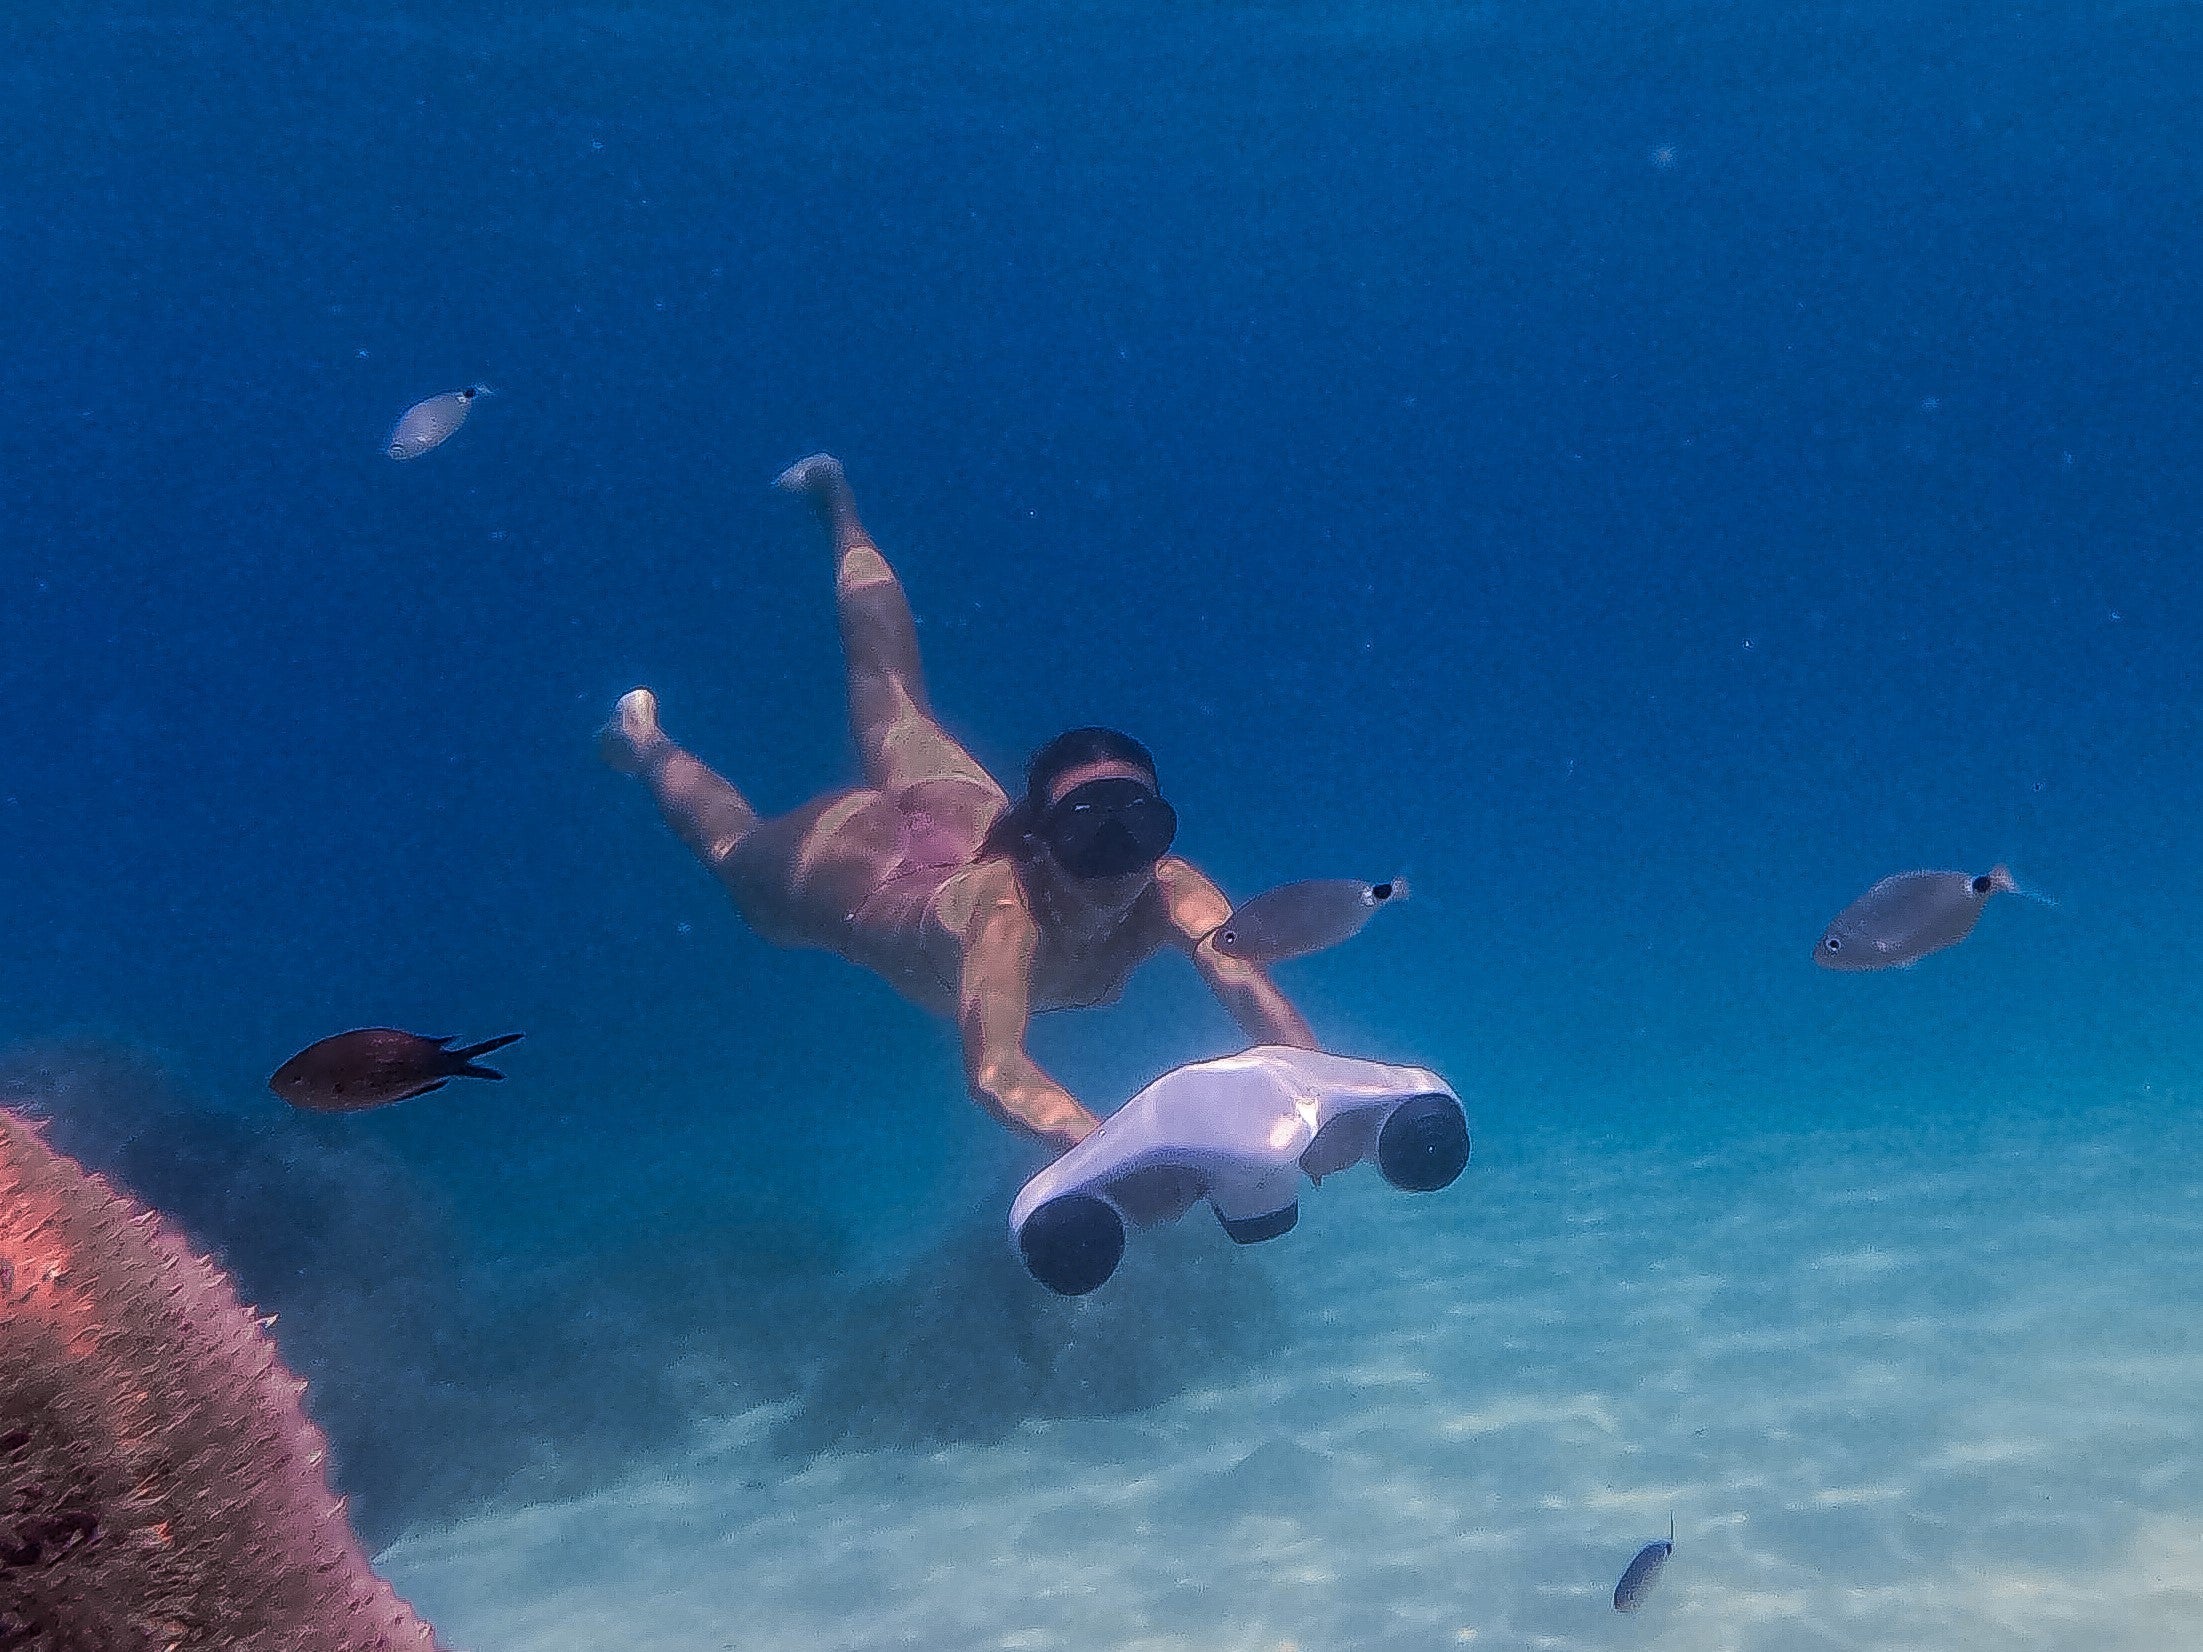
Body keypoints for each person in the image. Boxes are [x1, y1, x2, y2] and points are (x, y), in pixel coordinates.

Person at [599, 454, 1317, 1153]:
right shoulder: (1005, 919)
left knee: (894, 691)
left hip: (959, 814)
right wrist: (1103, 1151)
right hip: (858, 873)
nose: (1118, 863)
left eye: (1140, 828)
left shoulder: (1170, 889)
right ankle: (644, 742)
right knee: (732, 851)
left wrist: (1315, 1079)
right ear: (1037, 839)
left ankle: (837, 501)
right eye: (1087, 834)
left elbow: (1245, 981)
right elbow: (997, 1072)